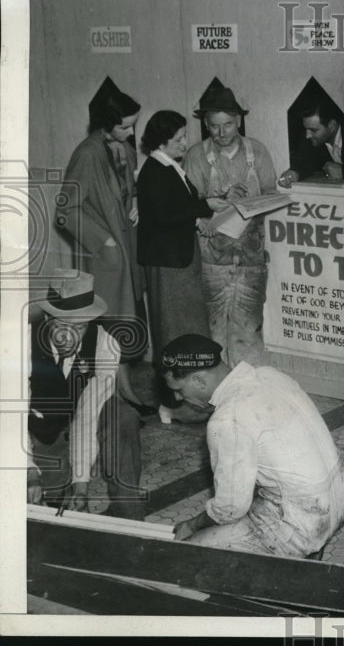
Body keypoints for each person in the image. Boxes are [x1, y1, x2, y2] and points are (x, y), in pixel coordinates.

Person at [164, 334, 344, 558]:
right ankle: (305, 551)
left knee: (189, 552)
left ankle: (292, 556)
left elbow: (230, 509)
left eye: (179, 390)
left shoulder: (227, 419)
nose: (177, 398)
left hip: (305, 520)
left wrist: (193, 524)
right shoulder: (270, 374)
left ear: (198, 381)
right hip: (342, 493)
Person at [56, 78, 150, 413]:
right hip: (105, 258)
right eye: (125, 127)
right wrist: (104, 241)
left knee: (123, 326)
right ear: (105, 125)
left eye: (133, 126)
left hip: (127, 254)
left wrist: (135, 200)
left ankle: (124, 394)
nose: (131, 133)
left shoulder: (122, 148)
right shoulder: (86, 154)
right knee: (110, 329)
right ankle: (113, 400)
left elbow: (126, 189)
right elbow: (66, 210)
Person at [137, 110, 235, 420]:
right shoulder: (154, 170)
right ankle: (174, 403)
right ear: (162, 141)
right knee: (174, 332)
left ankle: (189, 398)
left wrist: (209, 203)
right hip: (169, 264)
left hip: (180, 259)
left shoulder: (167, 167)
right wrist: (205, 206)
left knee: (187, 329)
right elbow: (165, 215)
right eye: (179, 138)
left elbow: (179, 205)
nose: (185, 143)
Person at [27, 269, 144, 519]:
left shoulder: (105, 345)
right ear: (47, 318)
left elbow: (88, 414)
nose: (68, 337)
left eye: (79, 328)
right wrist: (29, 472)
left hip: (74, 417)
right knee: (42, 500)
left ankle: (129, 514)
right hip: (35, 427)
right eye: (61, 326)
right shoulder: (20, 344)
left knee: (122, 416)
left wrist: (81, 482)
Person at [183, 84, 278, 366]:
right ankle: (218, 398)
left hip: (250, 258)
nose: (222, 133)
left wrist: (251, 203)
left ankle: (247, 393)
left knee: (248, 330)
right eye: (214, 127)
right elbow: (189, 207)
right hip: (212, 259)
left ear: (238, 121)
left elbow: (271, 193)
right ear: (205, 125)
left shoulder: (257, 152)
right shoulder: (196, 156)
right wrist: (208, 215)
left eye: (227, 125)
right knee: (213, 332)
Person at [277, 104, 344, 187]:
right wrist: (295, 173)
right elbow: (304, 162)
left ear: (332, 126)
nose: (307, 135)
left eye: (313, 130)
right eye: (306, 129)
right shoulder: (311, 138)